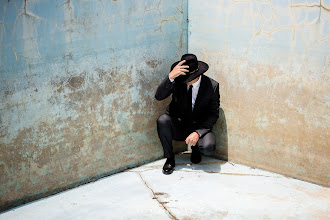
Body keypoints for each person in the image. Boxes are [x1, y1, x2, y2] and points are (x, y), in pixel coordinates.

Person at [155, 54, 220, 175]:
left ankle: (196, 150)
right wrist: (170, 77)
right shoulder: (178, 81)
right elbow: (159, 96)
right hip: (179, 125)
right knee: (162, 120)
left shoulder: (212, 86)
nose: (184, 81)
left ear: (197, 75)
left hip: (199, 127)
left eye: (188, 78)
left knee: (208, 146)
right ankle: (170, 159)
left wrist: (198, 133)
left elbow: (213, 114)